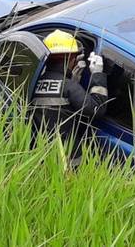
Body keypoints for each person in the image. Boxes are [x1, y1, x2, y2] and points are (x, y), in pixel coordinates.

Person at [30, 30, 109, 166]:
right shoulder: (68, 87)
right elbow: (96, 109)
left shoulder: (33, 82)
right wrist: (97, 75)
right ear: (71, 59)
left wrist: (72, 79)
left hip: (40, 155)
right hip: (69, 159)